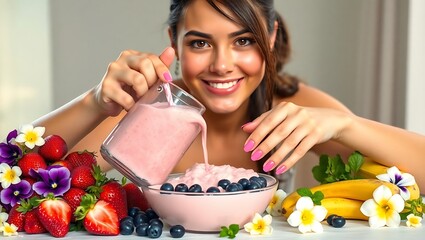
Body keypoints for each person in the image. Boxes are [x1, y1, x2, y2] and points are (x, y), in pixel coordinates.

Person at [33, 0, 425, 190]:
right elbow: (13, 178)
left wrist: (346, 124)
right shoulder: (149, 106)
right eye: (201, 43)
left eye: (243, 41)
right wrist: (94, 103)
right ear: (174, 42)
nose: (222, 65)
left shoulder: (288, 106)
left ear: (270, 40)